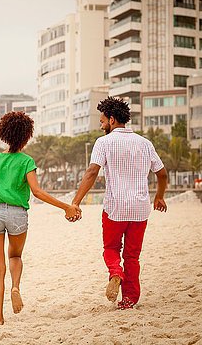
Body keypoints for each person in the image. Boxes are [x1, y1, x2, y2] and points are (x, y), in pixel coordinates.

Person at [0, 111, 82, 325]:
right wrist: (66, 207)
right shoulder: (26, 161)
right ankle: (15, 287)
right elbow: (37, 192)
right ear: (26, 136)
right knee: (15, 256)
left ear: (4, 134)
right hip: (16, 213)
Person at [71, 97, 168, 310]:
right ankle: (129, 300)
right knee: (132, 256)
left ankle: (115, 273)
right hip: (140, 209)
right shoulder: (145, 143)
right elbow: (162, 174)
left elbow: (91, 172)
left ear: (112, 120)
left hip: (115, 208)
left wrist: (76, 202)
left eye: (102, 121)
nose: (101, 125)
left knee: (111, 248)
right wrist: (159, 196)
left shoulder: (103, 142)